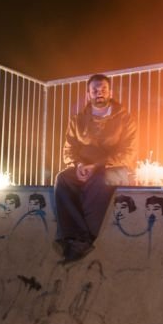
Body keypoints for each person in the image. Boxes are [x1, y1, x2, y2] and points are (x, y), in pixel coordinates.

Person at [55, 73, 137, 261]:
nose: (99, 93)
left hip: (116, 169)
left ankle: (86, 238)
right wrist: (78, 165)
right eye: (95, 90)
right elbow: (69, 149)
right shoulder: (77, 120)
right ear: (88, 94)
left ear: (110, 92)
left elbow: (128, 152)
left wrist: (97, 166)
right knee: (63, 179)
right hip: (84, 168)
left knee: (100, 180)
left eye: (103, 89)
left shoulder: (125, 119)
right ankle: (73, 235)